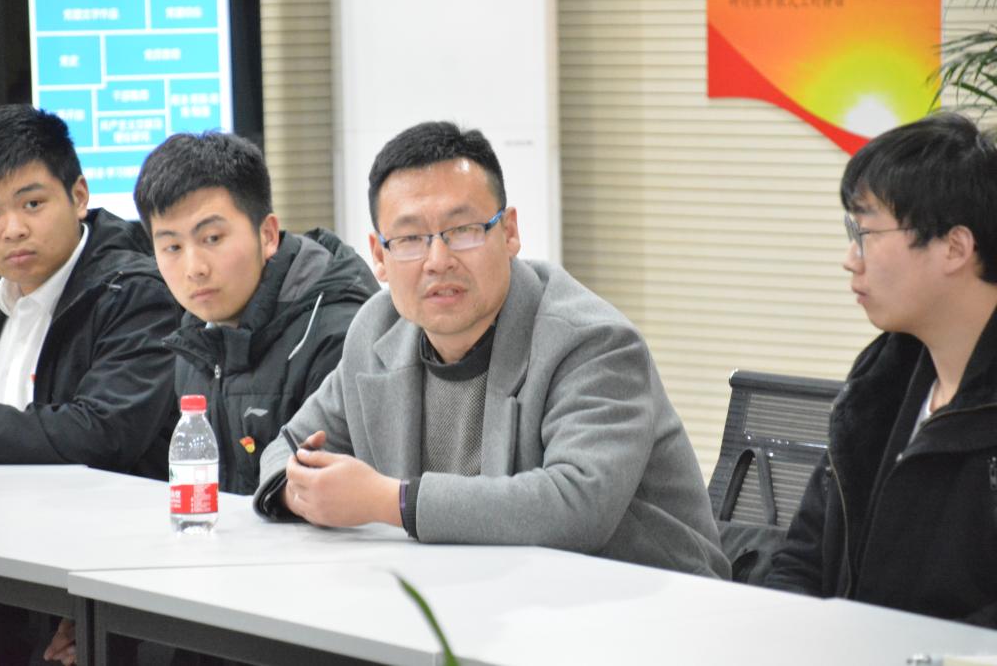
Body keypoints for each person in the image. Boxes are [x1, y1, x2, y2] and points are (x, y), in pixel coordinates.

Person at [252, 121, 729, 578]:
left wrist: (388, 501)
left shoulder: (593, 342)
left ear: (509, 232)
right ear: (379, 256)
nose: (438, 260)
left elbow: (576, 507)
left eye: (463, 230)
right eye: (411, 239)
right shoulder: (378, 329)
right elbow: (288, 448)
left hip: (645, 602)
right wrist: (301, 491)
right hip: (476, 597)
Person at [766, 112, 997, 627]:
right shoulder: (882, 379)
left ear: (955, 248)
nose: (851, 259)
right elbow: (801, 559)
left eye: (866, 231)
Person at [0, 104, 180, 664]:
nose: (12, 228)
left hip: (108, 573)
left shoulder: (137, 290)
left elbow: (100, 431)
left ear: (79, 196)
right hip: (2, 560)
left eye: (32, 204)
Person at [133, 131, 379, 495]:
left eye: (212, 238)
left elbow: (328, 499)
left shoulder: (334, 335)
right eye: (172, 247)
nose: (194, 268)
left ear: (267, 235)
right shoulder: (195, 338)